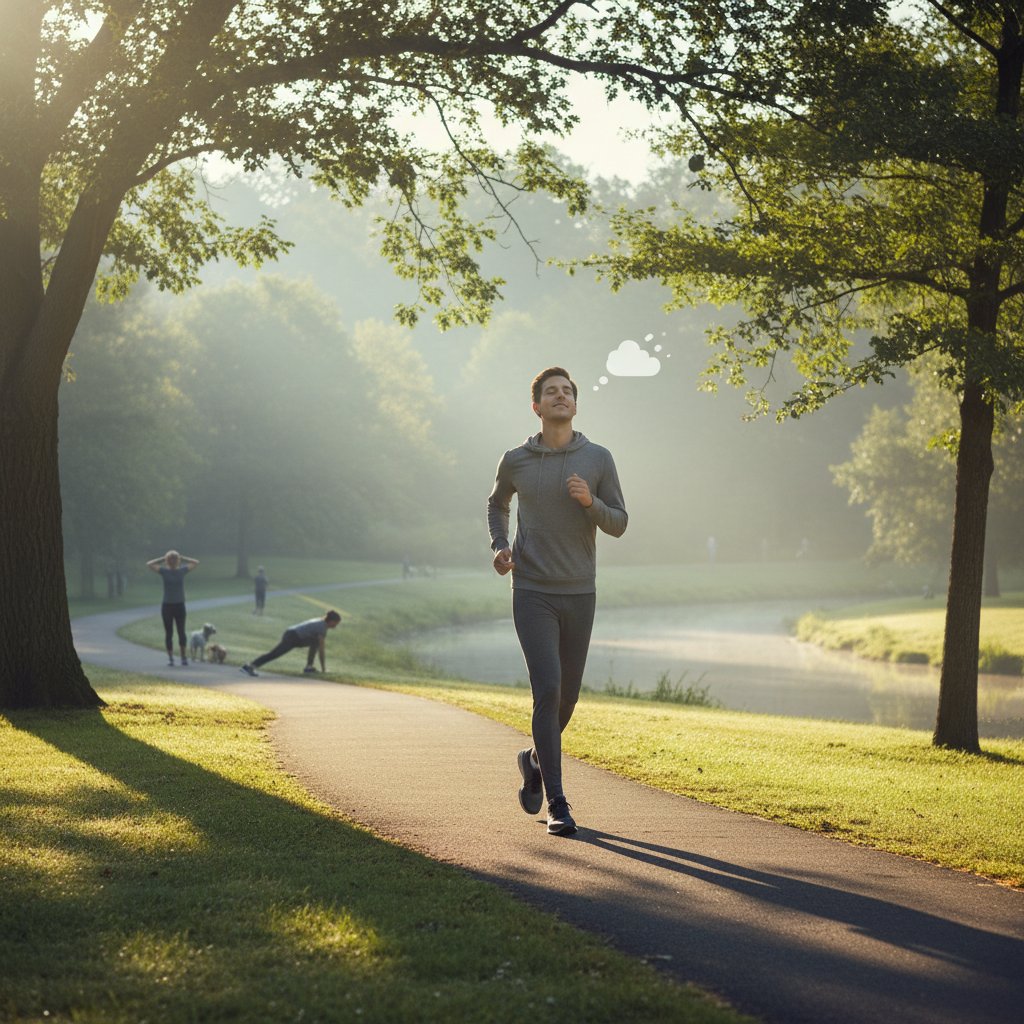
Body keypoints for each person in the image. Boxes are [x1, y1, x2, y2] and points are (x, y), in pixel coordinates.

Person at [487, 366, 627, 836]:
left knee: (568, 697)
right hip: (532, 591)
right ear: (537, 406)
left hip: (580, 592)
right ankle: (558, 803)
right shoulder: (516, 460)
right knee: (547, 689)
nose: (560, 396)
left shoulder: (598, 459)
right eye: (551, 392)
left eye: (567, 391)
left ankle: (532, 760)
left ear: (575, 404)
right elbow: (497, 504)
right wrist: (499, 545)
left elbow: (619, 522)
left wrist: (590, 502)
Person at [241, 610, 341, 677]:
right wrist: (323, 669)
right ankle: (249, 666)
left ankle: (309, 667)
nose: (336, 626)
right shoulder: (322, 627)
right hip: (293, 636)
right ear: (331, 621)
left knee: (314, 642)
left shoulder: (321, 622)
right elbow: (321, 651)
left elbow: (318, 645)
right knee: (274, 654)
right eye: (336, 623)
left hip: (294, 635)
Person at [146, 550, 199, 666]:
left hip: (179, 605)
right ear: (168, 561)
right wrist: (165, 558)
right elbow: (149, 564)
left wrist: (180, 557)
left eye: (175, 559)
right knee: (169, 633)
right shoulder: (164, 571)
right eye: (171, 559)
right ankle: (171, 658)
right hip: (168, 606)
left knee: (181, 632)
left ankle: (182, 657)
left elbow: (196, 562)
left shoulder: (181, 571)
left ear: (177, 560)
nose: (173, 561)